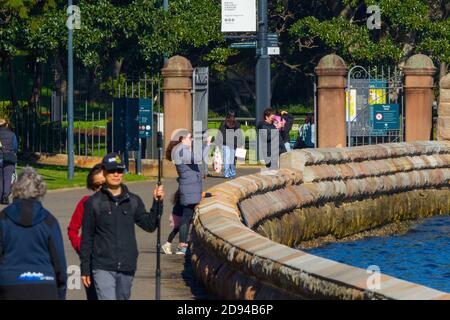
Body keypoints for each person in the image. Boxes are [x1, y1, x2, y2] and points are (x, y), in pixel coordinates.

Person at [79, 152, 165, 300]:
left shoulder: (133, 201)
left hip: (127, 264)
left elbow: (150, 225)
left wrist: (157, 202)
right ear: (104, 172)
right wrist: (85, 268)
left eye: (119, 170)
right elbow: (87, 238)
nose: (116, 174)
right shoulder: (94, 203)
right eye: (112, 171)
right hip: (102, 265)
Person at [0, 166, 67, 300]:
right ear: (40, 191)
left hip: (10, 283)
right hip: (44, 283)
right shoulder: (49, 221)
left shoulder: (3, 219)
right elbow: (59, 263)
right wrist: (60, 293)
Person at [166, 130, 212, 255]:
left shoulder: (183, 150)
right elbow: (198, 158)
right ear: (182, 139)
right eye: (190, 138)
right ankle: (182, 246)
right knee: (186, 218)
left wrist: (202, 143)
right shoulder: (181, 151)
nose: (191, 140)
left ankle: (169, 244)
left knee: (184, 217)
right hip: (189, 189)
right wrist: (208, 144)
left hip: (190, 189)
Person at [67, 163, 105, 300]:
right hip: (91, 262)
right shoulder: (86, 202)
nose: (101, 188)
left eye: (104, 183)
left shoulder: (122, 203)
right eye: (97, 185)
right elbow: (72, 230)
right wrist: (81, 247)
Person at [218, 111, 244, 179]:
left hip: (225, 143)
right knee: (232, 159)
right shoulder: (237, 124)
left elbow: (220, 134)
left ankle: (226, 174)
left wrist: (218, 143)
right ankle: (232, 173)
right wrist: (241, 143)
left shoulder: (223, 123)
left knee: (226, 159)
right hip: (233, 143)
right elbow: (239, 134)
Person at [0, 119, 18, 205]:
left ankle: (0, 196)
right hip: (9, 158)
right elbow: (15, 147)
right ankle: (5, 197)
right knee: (7, 178)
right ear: (6, 125)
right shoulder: (12, 134)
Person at [161, 190, 183, 255]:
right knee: (181, 230)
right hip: (179, 215)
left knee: (176, 230)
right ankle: (180, 247)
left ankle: (168, 245)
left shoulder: (180, 195)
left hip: (176, 214)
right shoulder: (183, 198)